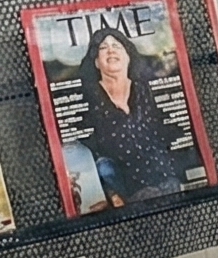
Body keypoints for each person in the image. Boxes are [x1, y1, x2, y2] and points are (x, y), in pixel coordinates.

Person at [76, 25, 188, 207]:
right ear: (95, 61)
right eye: (103, 47)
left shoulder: (147, 90)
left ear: (128, 56)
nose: (111, 49)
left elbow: (172, 134)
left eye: (117, 45)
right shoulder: (87, 99)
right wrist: (112, 194)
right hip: (125, 196)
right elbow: (89, 155)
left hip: (167, 183)